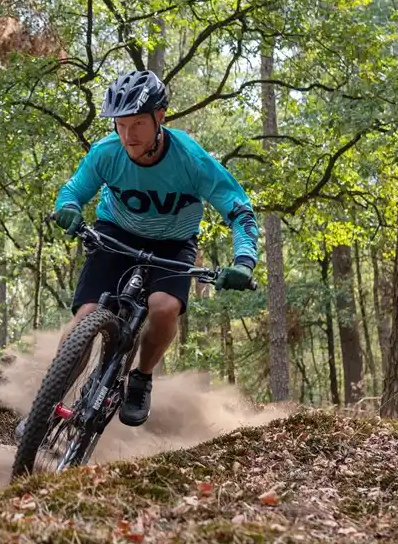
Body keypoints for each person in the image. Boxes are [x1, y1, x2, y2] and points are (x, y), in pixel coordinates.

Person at [51, 68, 259, 427]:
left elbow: (239, 209)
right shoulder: (106, 152)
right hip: (115, 233)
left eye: (137, 125)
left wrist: (244, 261)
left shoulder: (191, 159)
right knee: (86, 315)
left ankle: (142, 377)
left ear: (159, 117)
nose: (128, 136)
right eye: (121, 125)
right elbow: (73, 191)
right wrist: (68, 209)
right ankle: (48, 403)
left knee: (163, 307)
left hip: (173, 242)